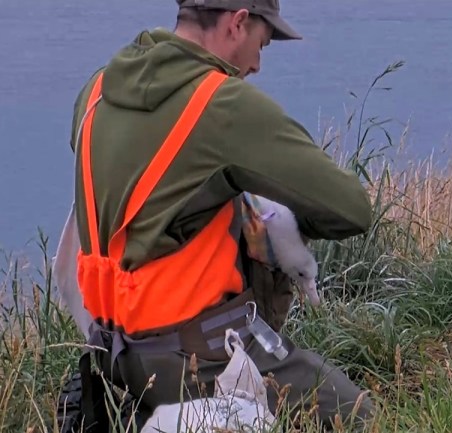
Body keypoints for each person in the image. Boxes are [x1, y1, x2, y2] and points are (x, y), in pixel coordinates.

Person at [60, 0, 375, 430]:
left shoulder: (95, 92)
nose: (257, 64)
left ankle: (137, 412)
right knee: (362, 417)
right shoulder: (223, 104)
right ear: (238, 22)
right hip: (197, 361)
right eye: (262, 43)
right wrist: (280, 219)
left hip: (112, 353)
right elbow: (351, 210)